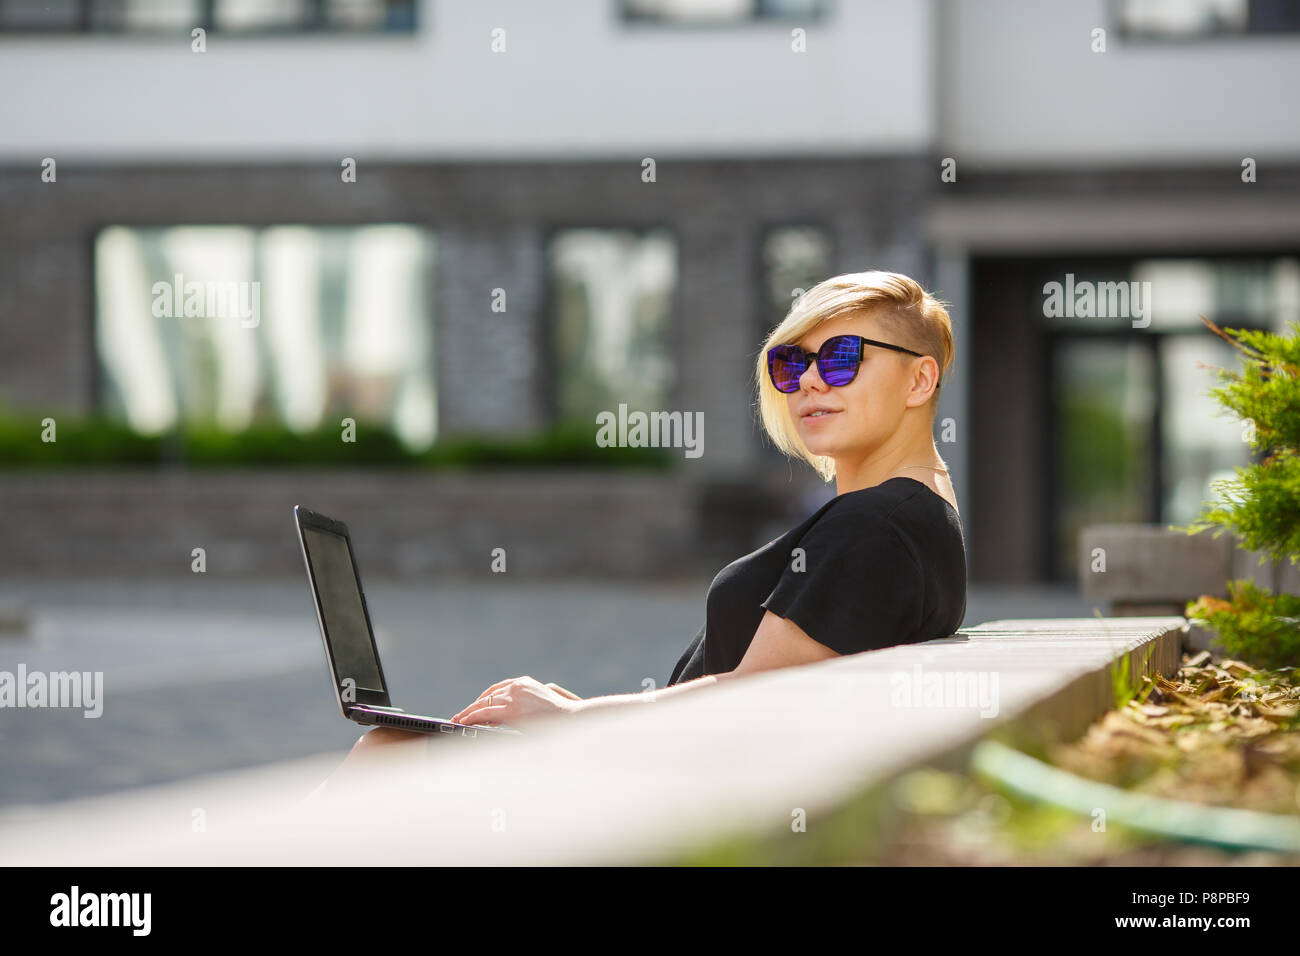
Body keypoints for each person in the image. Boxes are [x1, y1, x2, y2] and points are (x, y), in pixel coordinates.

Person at [337, 270, 967, 765]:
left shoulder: (877, 525)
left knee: (391, 750)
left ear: (919, 381)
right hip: (690, 768)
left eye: (840, 359)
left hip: (687, 790)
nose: (806, 383)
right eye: (791, 364)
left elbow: (760, 697)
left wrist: (576, 722)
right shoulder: (913, 514)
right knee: (408, 742)